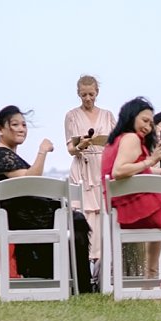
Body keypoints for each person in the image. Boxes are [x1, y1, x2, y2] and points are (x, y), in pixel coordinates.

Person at [0, 105, 93, 291]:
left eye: (24, 125)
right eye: (15, 124)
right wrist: (42, 151)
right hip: (20, 220)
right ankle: (80, 283)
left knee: (74, 219)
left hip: (23, 218)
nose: (21, 129)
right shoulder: (0, 155)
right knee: (75, 220)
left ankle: (72, 280)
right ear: (0, 129)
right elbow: (30, 180)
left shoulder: (3, 155)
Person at [101, 97, 161, 281]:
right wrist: (151, 160)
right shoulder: (131, 138)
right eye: (144, 120)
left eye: (151, 123)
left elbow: (148, 174)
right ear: (131, 116)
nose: (147, 127)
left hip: (119, 209)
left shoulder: (117, 140)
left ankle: (152, 276)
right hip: (130, 208)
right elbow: (119, 171)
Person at [64, 75, 117, 267]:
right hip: (82, 166)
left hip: (102, 165)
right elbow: (70, 149)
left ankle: (104, 263)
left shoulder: (108, 115)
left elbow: (117, 143)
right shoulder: (71, 115)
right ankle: (83, 261)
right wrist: (81, 145)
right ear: (78, 94)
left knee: (103, 212)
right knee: (84, 212)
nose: (88, 98)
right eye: (84, 95)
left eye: (91, 94)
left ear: (97, 93)